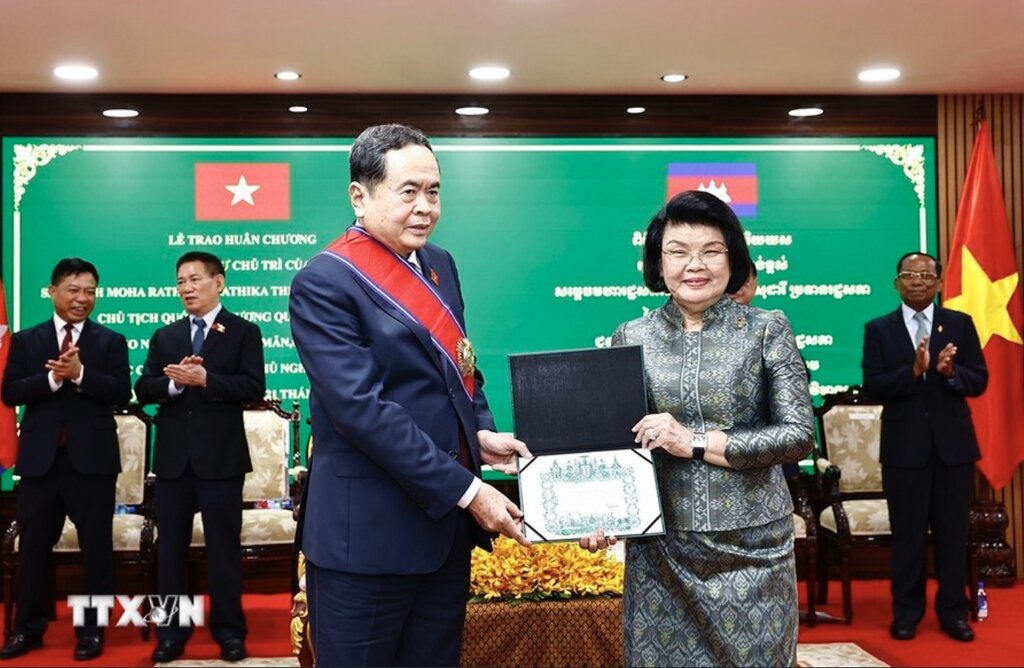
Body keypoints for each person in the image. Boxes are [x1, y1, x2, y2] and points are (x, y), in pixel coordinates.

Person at [288, 123, 531, 667]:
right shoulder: (324, 282)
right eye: (409, 192)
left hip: (442, 536)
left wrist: (480, 431)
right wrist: (470, 491)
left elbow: (460, 368)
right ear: (359, 195)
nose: (425, 207)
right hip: (365, 543)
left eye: (434, 192)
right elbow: (362, 411)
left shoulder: (440, 264)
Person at [582, 191, 815, 666]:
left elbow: (797, 435)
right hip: (661, 550)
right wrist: (600, 512)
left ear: (733, 258)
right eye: (678, 251)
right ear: (657, 261)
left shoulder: (767, 329)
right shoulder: (631, 335)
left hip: (752, 548)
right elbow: (617, 446)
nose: (695, 265)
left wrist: (694, 441)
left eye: (711, 251)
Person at [134, 251, 266, 663]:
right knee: (169, 552)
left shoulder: (243, 332)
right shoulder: (166, 336)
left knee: (223, 550)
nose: (187, 288)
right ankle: (171, 632)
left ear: (218, 282)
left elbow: (253, 387)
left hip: (221, 460)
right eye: (181, 282)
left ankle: (230, 632)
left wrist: (207, 379)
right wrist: (175, 385)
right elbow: (144, 387)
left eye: (194, 279)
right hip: (173, 462)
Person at [0, 258, 131, 662]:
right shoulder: (27, 340)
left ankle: (91, 631)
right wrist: (53, 379)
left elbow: (121, 392)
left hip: (92, 464)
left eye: (90, 291)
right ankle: (28, 628)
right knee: (34, 550)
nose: (82, 298)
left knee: (96, 552)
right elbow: (10, 392)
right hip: (40, 463)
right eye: (74, 290)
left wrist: (80, 374)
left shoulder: (110, 341)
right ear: (52, 291)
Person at [862, 251, 987, 643]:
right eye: (908, 274)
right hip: (904, 450)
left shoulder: (960, 324)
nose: (917, 280)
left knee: (953, 535)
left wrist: (950, 373)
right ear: (896, 283)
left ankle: (954, 613)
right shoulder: (878, 329)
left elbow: (979, 379)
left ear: (938, 283)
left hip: (954, 449)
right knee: (908, 537)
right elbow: (873, 386)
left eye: (925, 275)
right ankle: (906, 613)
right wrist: (913, 371)